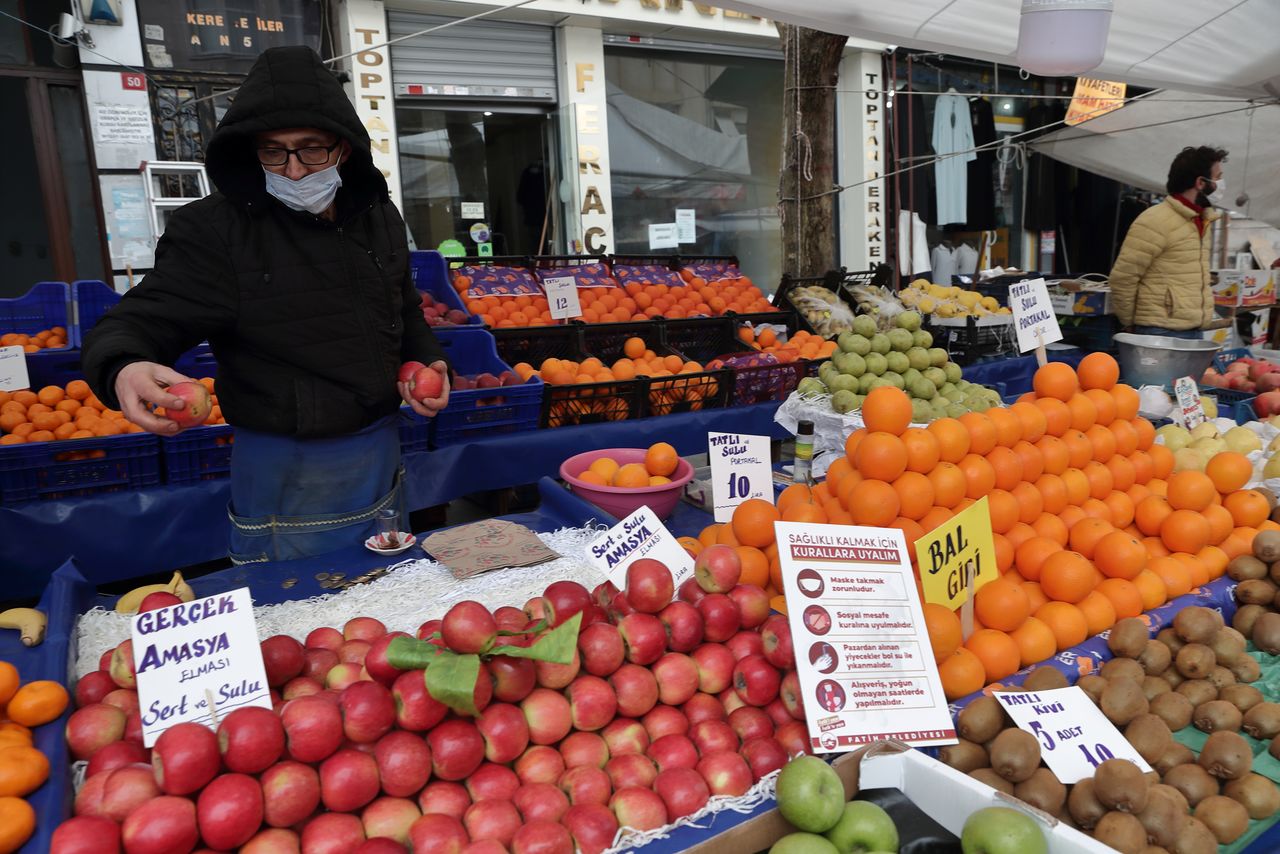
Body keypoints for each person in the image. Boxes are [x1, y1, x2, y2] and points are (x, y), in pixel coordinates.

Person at [83, 46, 449, 565]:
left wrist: (427, 358)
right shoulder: (215, 232)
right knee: (297, 616)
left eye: (310, 149)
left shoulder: (378, 214)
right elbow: (144, 315)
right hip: (287, 463)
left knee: (382, 600)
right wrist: (123, 364)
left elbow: (403, 303)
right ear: (250, 150)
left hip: (379, 447)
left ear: (343, 148)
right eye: (273, 151)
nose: (295, 170)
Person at [1110, 146, 1228, 339]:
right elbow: (1123, 278)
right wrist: (1130, 323)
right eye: (1217, 177)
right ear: (1200, 182)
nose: (1220, 184)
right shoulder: (1155, 220)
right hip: (1158, 330)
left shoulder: (1202, 219)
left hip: (1194, 328)